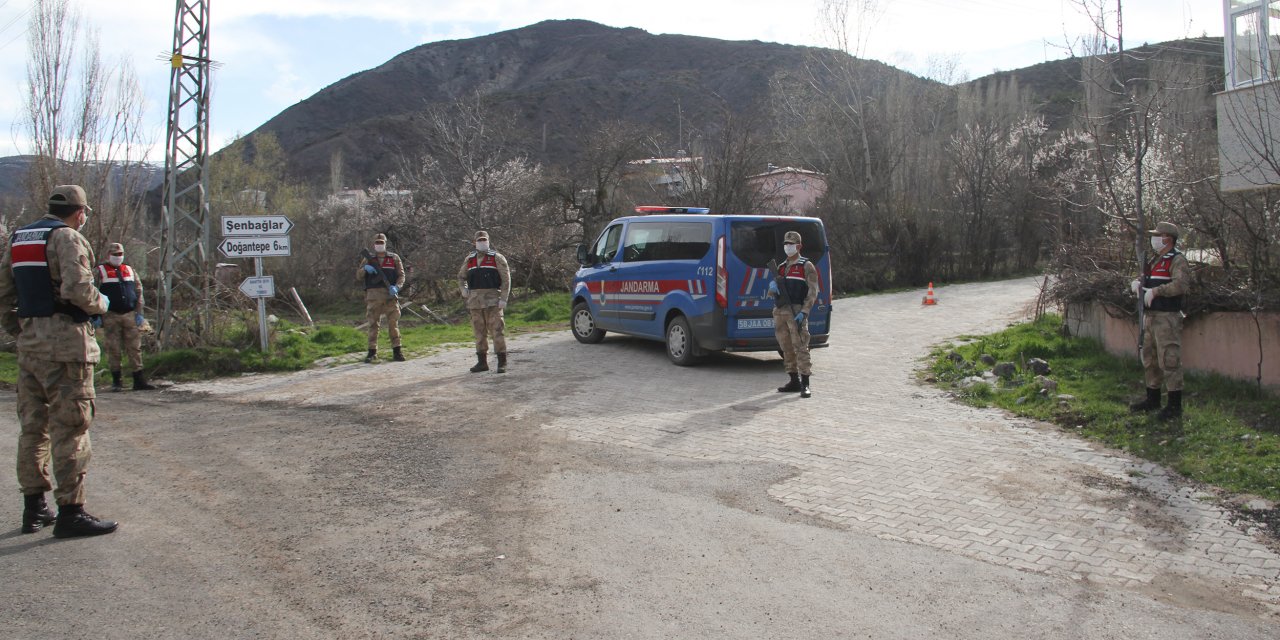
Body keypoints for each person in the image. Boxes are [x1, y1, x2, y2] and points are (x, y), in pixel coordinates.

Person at [0, 185, 117, 537]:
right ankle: (71, 512)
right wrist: (103, 305)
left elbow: (3, 293)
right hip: (67, 346)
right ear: (80, 212)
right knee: (71, 427)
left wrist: (20, 330)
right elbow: (78, 290)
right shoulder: (67, 238)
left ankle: (34, 509)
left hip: (30, 346)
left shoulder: (20, 238)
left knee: (33, 429)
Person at [1128, 221, 1190, 421]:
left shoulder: (1177, 259)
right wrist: (1140, 283)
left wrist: (1157, 291)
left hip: (1167, 317)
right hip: (1150, 316)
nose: (1154, 239)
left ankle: (1174, 406)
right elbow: (1150, 278)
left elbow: (1180, 285)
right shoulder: (1156, 260)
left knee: (1169, 359)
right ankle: (1152, 399)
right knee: (1150, 359)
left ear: (1168, 239)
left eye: (1158, 235)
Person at [95, 242, 156, 391]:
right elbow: (93, 292)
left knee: (134, 348)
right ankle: (117, 381)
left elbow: (138, 290)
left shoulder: (129, 270)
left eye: (120, 254)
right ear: (108, 255)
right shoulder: (99, 271)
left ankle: (138, 380)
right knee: (113, 348)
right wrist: (95, 314)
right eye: (115, 254)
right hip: (110, 315)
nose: (118, 257)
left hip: (129, 314)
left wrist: (139, 313)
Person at [768, 230, 820, 398]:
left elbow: (813, 292)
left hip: (796, 311)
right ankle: (793, 380)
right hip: (781, 311)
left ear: (799, 246)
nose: (787, 247)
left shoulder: (806, 266)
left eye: (791, 244)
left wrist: (804, 311)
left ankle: (805, 384)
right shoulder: (782, 267)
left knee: (801, 346)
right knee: (786, 347)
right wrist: (772, 289)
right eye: (785, 244)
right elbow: (774, 292)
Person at [457, 230, 511, 373]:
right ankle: (482, 362)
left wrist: (504, 298)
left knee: (497, 331)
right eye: (479, 240)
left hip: (493, 300)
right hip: (475, 302)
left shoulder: (497, 258)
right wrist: (464, 289)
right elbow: (461, 277)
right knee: (479, 333)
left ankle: (502, 362)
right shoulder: (470, 259)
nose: (482, 243)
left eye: (484, 240)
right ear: (475, 242)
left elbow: (506, 280)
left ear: (488, 241)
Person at [357, 232, 405, 363]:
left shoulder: (394, 258)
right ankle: (372, 352)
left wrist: (397, 287)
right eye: (377, 243)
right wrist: (365, 269)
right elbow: (358, 276)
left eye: (381, 243)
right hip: (373, 296)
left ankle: (397, 351)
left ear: (385, 243)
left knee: (393, 324)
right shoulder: (368, 259)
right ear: (374, 244)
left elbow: (401, 275)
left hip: (390, 296)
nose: (379, 245)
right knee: (373, 324)